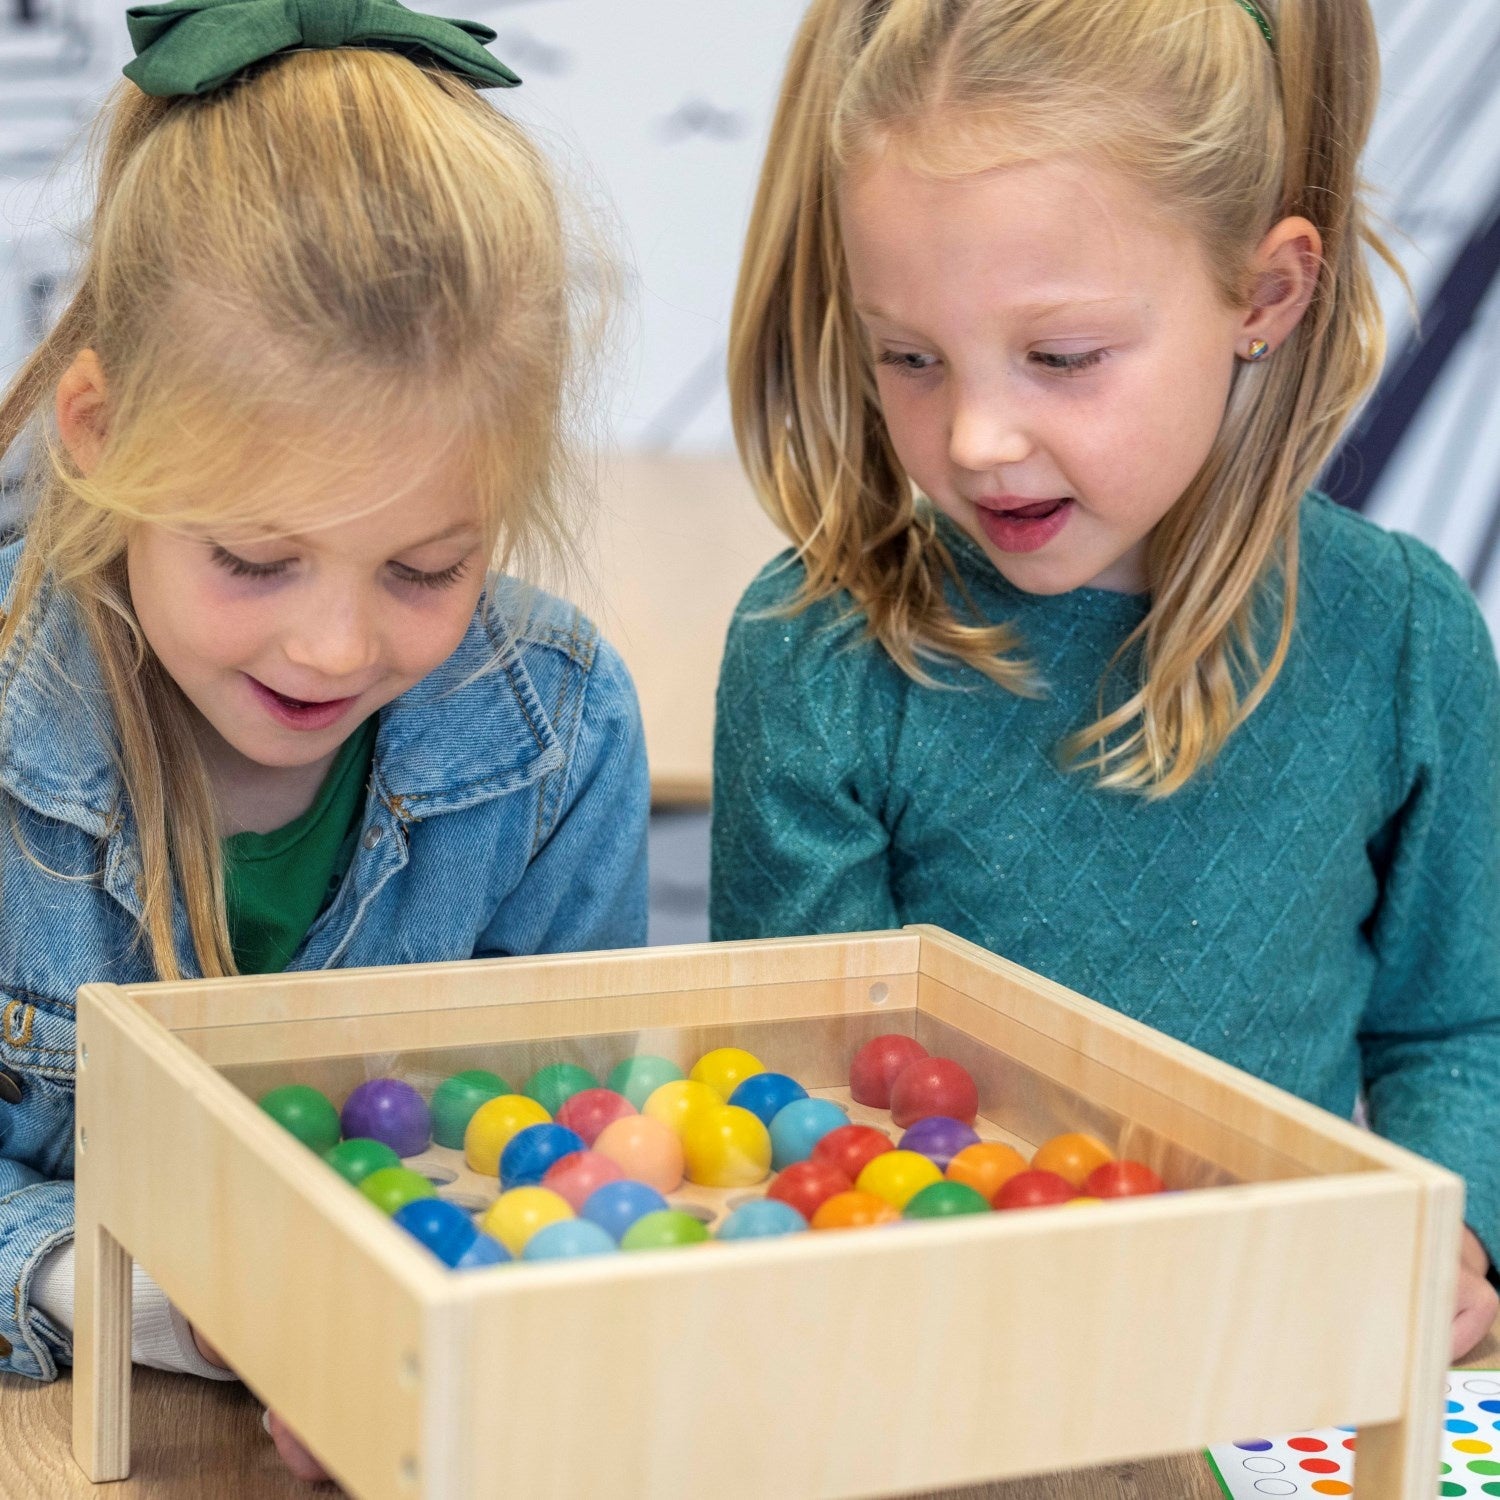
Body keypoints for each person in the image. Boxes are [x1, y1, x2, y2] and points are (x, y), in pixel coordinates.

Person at [713, 0, 1500, 1359]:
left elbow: (1460, 1023)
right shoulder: (817, 655)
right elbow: (805, 1099)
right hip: (942, 1355)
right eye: (909, 357)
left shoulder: (1403, 633)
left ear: (1265, 296)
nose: (975, 436)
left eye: (1063, 358)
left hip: (1274, 1348)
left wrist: (1453, 1238)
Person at [0, 0, 648, 1476]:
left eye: (427, 570)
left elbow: (578, 1140)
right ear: (97, 431)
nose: (334, 647)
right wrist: (175, 1306)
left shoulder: (555, 735)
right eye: (254, 558)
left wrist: (459, 1309)